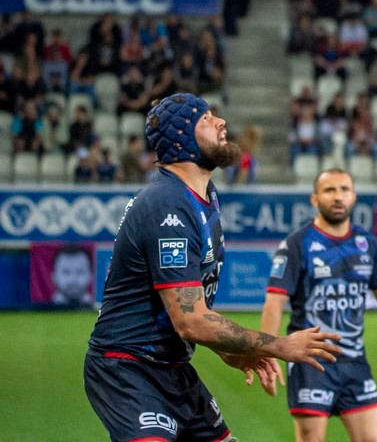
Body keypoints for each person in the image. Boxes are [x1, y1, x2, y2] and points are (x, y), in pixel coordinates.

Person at [85, 93, 341, 442]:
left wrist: (230, 349)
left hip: (172, 368)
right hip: (127, 368)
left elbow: (192, 305)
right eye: (206, 119)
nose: (221, 122)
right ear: (181, 138)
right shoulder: (166, 204)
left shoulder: (205, 196)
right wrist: (277, 345)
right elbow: (189, 320)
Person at [259, 168, 377, 442]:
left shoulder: (367, 244)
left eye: (344, 190)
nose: (338, 197)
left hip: (354, 362)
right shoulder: (296, 244)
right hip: (310, 361)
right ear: (314, 199)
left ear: (354, 197)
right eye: (329, 190)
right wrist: (270, 350)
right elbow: (274, 302)